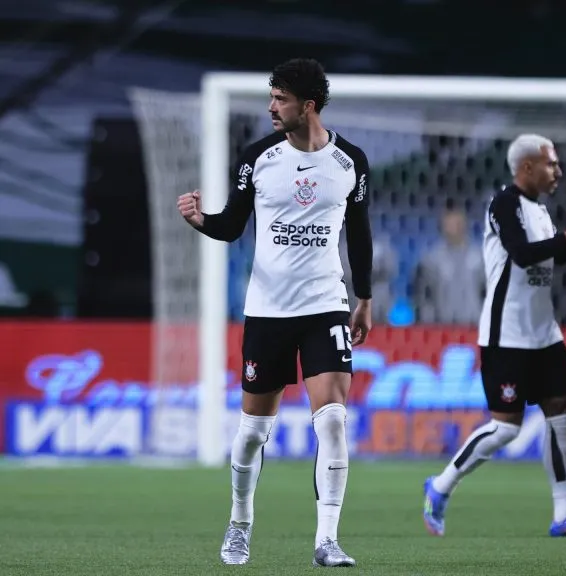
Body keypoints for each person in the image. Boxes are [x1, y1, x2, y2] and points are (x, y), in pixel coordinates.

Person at [177, 58, 372, 567]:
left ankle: (326, 539)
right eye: (271, 96)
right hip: (267, 312)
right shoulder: (256, 158)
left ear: (307, 106)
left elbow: (361, 233)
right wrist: (201, 220)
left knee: (332, 421)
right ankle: (240, 522)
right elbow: (231, 227)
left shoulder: (350, 161)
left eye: (280, 98)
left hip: (325, 306)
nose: (270, 106)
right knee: (252, 434)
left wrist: (365, 297)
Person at [421, 133, 566, 537]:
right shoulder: (503, 205)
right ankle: (440, 485)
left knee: (562, 415)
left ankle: (564, 515)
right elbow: (522, 253)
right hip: (506, 334)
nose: (559, 171)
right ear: (527, 167)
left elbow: (556, 254)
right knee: (507, 428)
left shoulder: (540, 210)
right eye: (551, 163)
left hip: (543, 333)